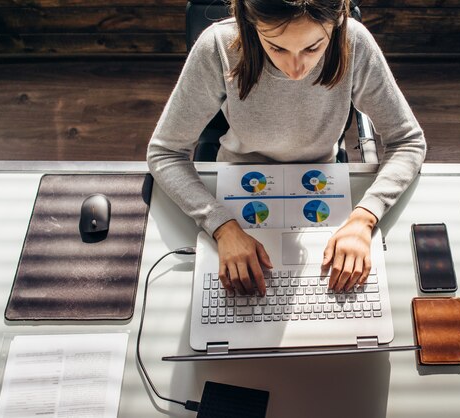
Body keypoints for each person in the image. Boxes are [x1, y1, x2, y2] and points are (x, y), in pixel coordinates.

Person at [147, 0, 426, 297]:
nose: (295, 70)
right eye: (277, 48)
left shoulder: (353, 42)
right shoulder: (218, 47)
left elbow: (407, 141)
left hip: (321, 182)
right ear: (248, 23)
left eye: (313, 48)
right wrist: (221, 226)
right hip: (236, 185)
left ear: (338, 22)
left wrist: (364, 218)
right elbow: (164, 152)